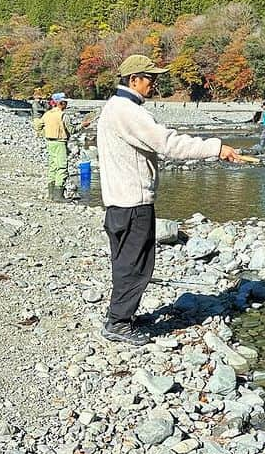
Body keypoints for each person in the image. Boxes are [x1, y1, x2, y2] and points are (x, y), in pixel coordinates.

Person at [97, 54, 241, 347]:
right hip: (133, 202)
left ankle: (122, 316)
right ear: (133, 79)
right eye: (150, 78)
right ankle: (119, 323)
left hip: (119, 200)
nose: (155, 83)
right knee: (136, 264)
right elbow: (169, 144)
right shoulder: (129, 111)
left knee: (126, 261)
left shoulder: (115, 107)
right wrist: (216, 148)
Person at [41, 93, 71, 201]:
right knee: (62, 167)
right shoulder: (63, 115)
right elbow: (72, 130)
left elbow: (38, 125)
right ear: (61, 103)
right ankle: (59, 196)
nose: (66, 104)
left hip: (50, 143)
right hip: (60, 143)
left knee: (52, 167)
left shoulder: (47, 114)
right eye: (65, 102)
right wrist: (83, 125)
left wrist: (43, 133)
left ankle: (51, 194)